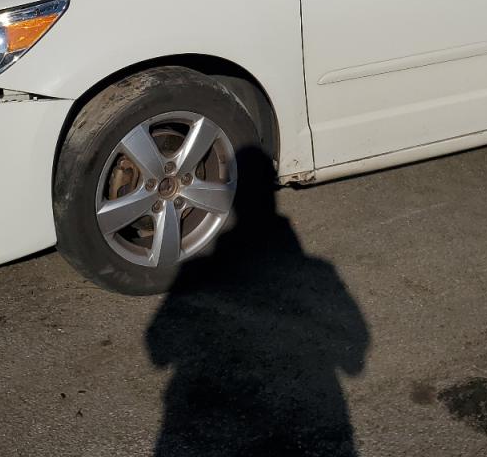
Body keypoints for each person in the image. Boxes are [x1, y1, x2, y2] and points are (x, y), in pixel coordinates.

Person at [146, 147, 370, 456]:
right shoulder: (319, 272)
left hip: (217, 424)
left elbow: (158, 350)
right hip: (304, 419)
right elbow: (355, 357)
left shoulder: (198, 272)